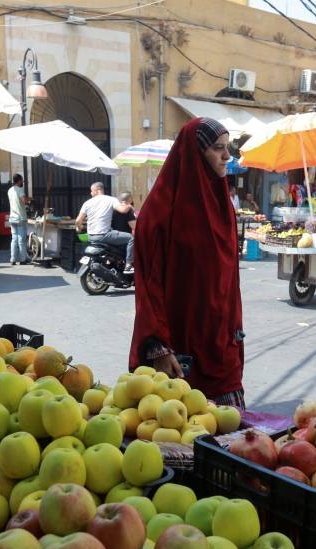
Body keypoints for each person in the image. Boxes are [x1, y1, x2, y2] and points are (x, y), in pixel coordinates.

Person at [130, 117, 246, 408]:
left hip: (222, 344)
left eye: (227, 147)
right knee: (178, 439)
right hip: (178, 350)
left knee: (230, 440)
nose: (227, 156)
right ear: (195, 153)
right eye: (218, 148)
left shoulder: (223, 207)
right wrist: (158, 347)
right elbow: (148, 286)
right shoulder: (159, 213)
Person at [75, 182, 134, 274]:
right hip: (104, 235)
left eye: (92, 191)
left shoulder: (87, 203)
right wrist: (129, 205)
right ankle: (128, 265)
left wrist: (79, 228)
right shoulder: (111, 199)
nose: (91, 193)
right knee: (131, 238)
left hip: (90, 236)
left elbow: (78, 221)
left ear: (98, 190)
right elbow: (123, 210)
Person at [7, 174, 31, 266]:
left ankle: (12, 259)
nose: (23, 182)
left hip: (12, 217)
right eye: (22, 181)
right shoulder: (20, 190)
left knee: (14, 239)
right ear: (19, 180)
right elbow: (24, 201)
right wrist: (29, 199)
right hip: (20, 218)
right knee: (21, 239)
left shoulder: (10, 190)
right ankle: (23, 259)